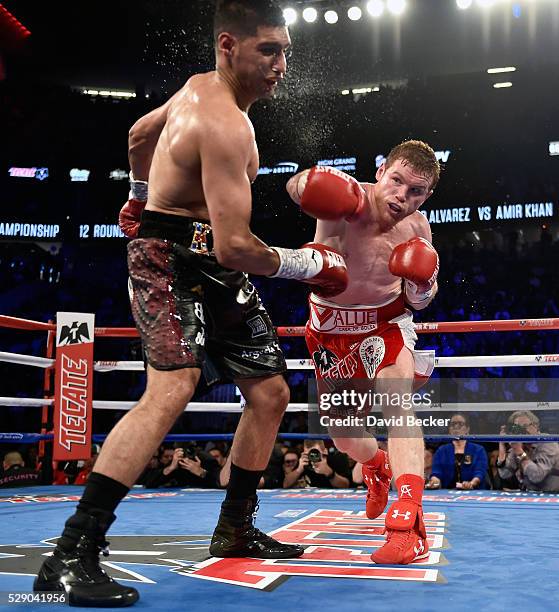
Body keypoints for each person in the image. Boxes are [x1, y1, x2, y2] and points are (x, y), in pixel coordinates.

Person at [34, 1, 348, 606]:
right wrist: (311, 263)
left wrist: (136, 193)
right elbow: (236, 245)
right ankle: (70, 554)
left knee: (271, 391)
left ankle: (234, 530)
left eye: (286, 50)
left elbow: (138, 135)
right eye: (268, 50)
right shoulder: (228, 124)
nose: (282, 64)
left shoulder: (194, 89)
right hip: (170, 256)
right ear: (228, 44)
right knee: (171, 387)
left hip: (203, 255)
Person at [287, 140, 441, 564]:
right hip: (331, 331)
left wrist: (423, 285)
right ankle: (376, 466)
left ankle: (408, 522)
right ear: (381, 172)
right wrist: (307, 182)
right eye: (397, 182)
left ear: (426, 196)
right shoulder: (343, 201)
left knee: (398, 406)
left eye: (416, 192)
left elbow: (423, 298)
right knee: (343, 435)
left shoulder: (418, 229)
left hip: (386, 324)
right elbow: (298, 186)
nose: (402, 197)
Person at [497, 411, 559, 492]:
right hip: (529, 494)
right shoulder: (521, 444)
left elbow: (536, 476)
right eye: (518, 428)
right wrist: (502, 445)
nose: (522, 430)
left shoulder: (548, 443)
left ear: (536, 426)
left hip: (552, 496)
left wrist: (519, 452)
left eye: (525, 426)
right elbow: (505, 474)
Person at [425, 413, 488, 490]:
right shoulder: (441, 450)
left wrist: (471, 483)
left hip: (474, 492)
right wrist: (434, 482)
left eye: (460, 424)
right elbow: (436, 473)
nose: (456, 426)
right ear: (449, 430)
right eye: (453, 424)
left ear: (467, 429)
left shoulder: (478, 450)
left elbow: (479, 473)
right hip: (447, 494)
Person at [283, 439, 351, 489]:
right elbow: (285, 485)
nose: (313, 457)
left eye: (316, 453)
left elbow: (346, 485)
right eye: (309, 454)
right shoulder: (305, 460)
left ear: (325, 451)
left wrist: (330, 473)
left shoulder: (337, 458)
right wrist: (299, 469)